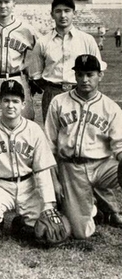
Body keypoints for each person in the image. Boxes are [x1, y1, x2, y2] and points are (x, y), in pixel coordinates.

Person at [45, 54, 122, 239]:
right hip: (72, 169)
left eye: (90, 74)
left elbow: (120, 144)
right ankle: (94, 208)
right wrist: (53, 180)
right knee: (80, 233)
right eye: (80, 75)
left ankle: (99, 202)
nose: (85, 80)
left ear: (100, 75)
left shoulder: (110, 108)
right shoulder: (59, 102)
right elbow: (48, 145)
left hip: (103, 167)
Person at [0, 80, 59, 242]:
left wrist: (48, 203)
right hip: (1, 185)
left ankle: (21, 223)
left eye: (15, 101)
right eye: (6, 100)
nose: (10, 105)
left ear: (24, 104)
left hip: (29, 186)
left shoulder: (34, 130)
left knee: (41, 227)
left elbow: (42, 170)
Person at [28, 0, 103, 119]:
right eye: (58, 11)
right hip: (53, 93)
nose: (63, 15)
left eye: (67, 11)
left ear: (74, 13)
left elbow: (98, 70)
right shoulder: (43, 42)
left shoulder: (87, 40)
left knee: (80, 133)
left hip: (80, 92)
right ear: (52, 14)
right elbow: (35, 74)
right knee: (52, 135)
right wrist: (51, 88)